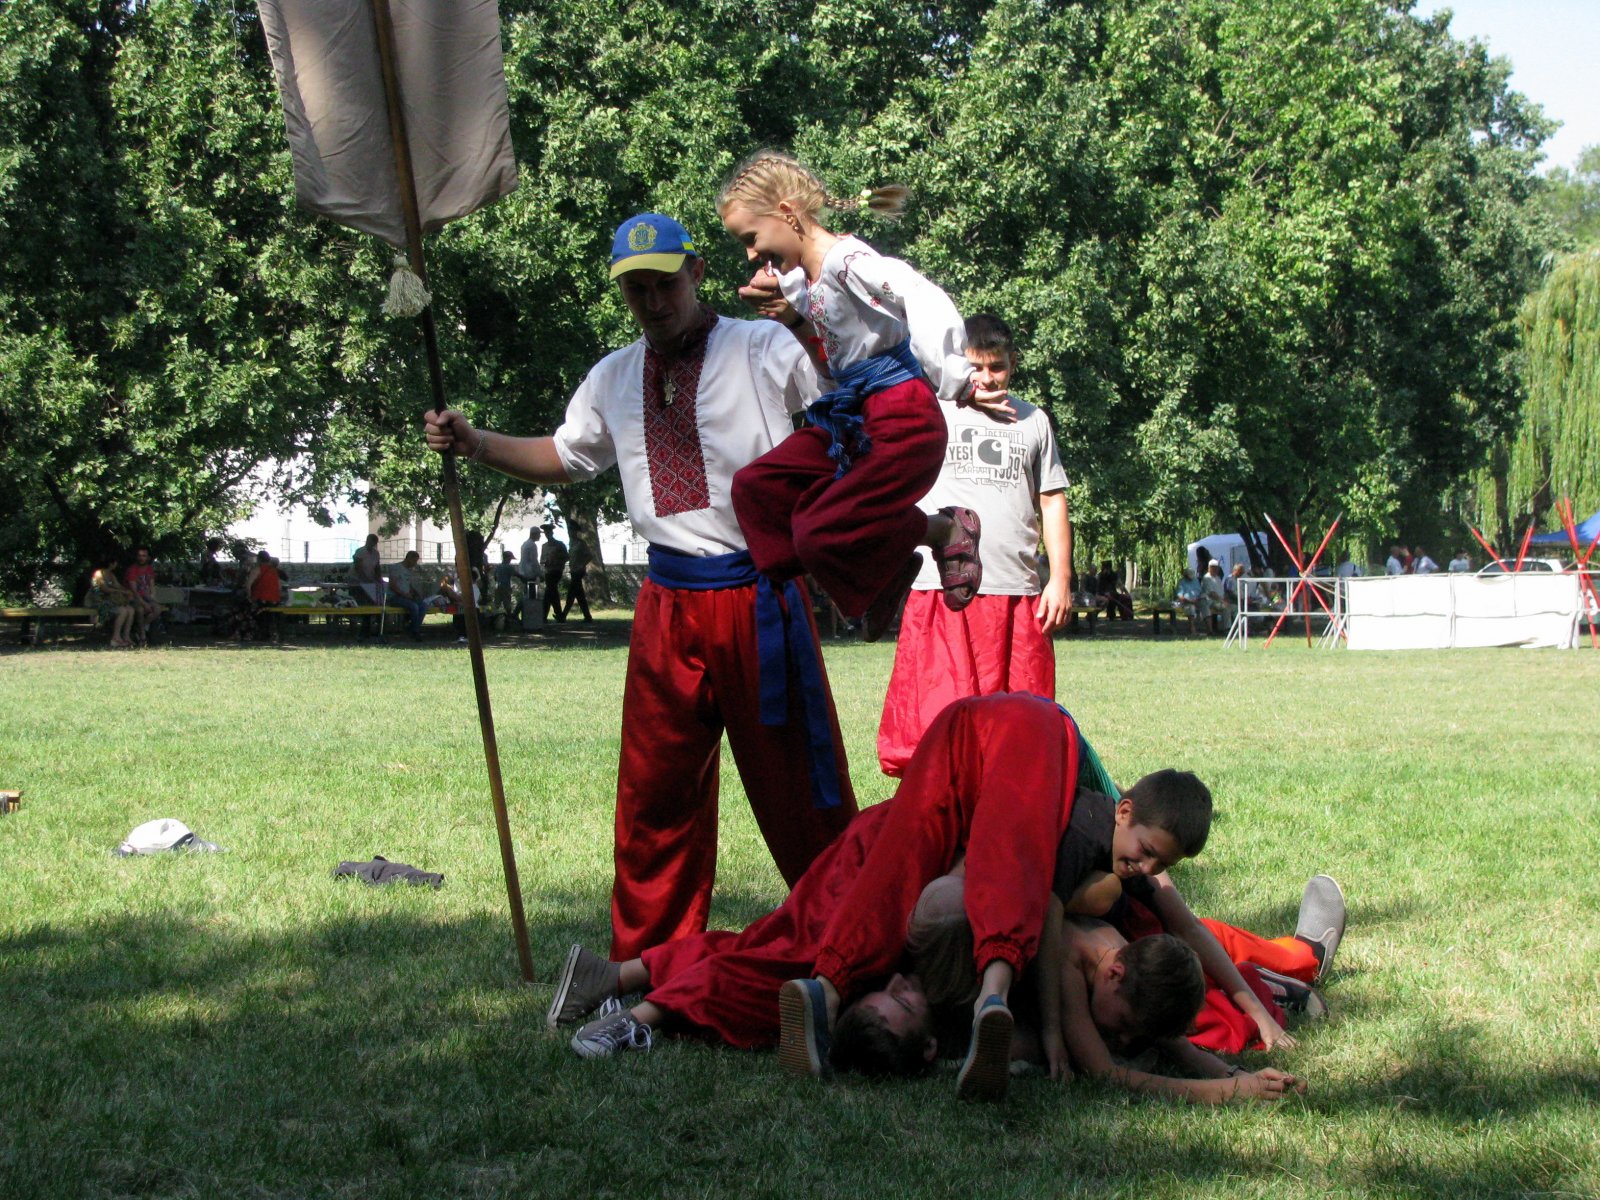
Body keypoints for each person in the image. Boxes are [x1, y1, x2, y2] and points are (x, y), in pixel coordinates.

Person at [423, 211, 858, 959]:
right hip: (666, 607)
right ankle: (650, 958)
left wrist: (807, 318)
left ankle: (852, 935)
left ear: (694, 272)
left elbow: (842, 393)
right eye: (637, 291)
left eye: (664, 284)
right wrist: (477, 443)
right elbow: (566, 455)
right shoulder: (615, 375)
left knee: (799, 789)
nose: (654, 302)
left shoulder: (760, 347)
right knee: (655, 797)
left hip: (756, 598)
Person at [717, 150, 1015, 641]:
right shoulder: (808, 282)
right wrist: (788, 316)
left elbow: (918, 293)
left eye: (751, 238)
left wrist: (958, 376)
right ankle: (879, 567)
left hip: (902, 418)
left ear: (787, 212)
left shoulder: (847, 261)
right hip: (851, 417)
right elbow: (833, 368)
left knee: (818, 529)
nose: (750, 254)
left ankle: (940, 531)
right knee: (757, 489)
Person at [876, 313, 1071, 777]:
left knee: (1019, 734)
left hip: (1016, 594)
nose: (986, 378)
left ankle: (1006, 817)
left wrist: (1060, 578)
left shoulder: (1034, 421)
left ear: (1013, 364)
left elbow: (1052, 500)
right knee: (936, 729)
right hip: (942, 594)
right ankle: (937, 820)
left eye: (996, 367)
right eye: (975, 367)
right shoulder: (934, 409)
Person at [88, 556, 138, 647]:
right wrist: (121, 592)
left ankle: (126, 636)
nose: (116, 565)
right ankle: (116, 638)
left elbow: (118, 586)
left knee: (131, 610)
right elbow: (105, 589)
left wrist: (128, 591)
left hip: (111, 601)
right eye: (115, 563)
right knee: (123, 611)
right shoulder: (98, 574)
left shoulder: (111, 575)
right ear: (111, 563)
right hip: (99, 601)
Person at [385, 549, 429, 642]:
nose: (415, 563)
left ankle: (413, 628)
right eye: (414, 561)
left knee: (424, 605)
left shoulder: (410, 571)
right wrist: (404, 594)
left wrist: (415, 592)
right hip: (395, 597)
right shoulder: (396, 568)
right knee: (414, 607)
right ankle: (414, 632)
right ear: (408, 558)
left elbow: (408, 585)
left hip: (407, 596)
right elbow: (393, 585)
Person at [123, 547, 164, 643]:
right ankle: (142, 634)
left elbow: (152, 586)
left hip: (145, 596)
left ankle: (139, 628)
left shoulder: (149, 569)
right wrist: (145, 604)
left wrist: (152, 599)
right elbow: (134, 590)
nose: (141, 558)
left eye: (144, 556)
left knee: (157, 609)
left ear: (148, 557)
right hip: (132, 597)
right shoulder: (132, 570)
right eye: (139, 556)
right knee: (141, 610)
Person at [562, 530, 595, 622]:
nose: (570, 533)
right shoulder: (571, 543)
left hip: (579, 571)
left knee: (571, 593)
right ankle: (587, 616)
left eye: (572, 530)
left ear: (575, 531)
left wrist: (582, 564)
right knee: (579, 595)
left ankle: (563, 615)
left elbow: (589, 556)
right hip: (573, 570)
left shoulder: (581, 543)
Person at [539, 522, 568, 622]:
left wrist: (557, 559)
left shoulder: (559, 544)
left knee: (549, 590)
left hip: (556, 570)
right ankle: (559, 615)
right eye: (546, 533)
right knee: (552, 592)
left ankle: (543, 615)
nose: (547, 534)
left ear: (552, 533)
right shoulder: (544, 546)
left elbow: (566, 557)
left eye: (549, 532)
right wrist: (545, 562)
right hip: (548, 571)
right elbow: (541, 560)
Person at [517, 526, 542, 625]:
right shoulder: (532, 546)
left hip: (523, 572)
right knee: (530, 597)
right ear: (534, 534)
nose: (540, 536)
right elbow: (534, 561)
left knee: (526, 595)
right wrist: (539, 573)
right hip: (529, 573)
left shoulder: (525, 544)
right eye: (539, 534)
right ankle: (528, 619)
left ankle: (520, 614)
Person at [1200, 560, 1227, 634]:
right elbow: (1211, 594)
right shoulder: (1206, 578)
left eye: (1217, 568)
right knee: (1226, 607)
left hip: (1219, 600)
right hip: (1210, 600)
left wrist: (1224, 599)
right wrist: (1222, 601)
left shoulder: (1217, 578)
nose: (1216, 570)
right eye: (1214, 568)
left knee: (1229, 607)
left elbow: (1222, 591)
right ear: (1210, 568)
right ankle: (1224, 629)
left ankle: (1227, 628)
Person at [1173, 567, 1202, 633]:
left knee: (1206, 604)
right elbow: (1180, 596)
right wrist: (1190, 601)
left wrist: (1199, 598)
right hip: (1186, 602)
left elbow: (1200, 591)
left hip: (1197, 600)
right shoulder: (1181, 582)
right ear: (1185, 575)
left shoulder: (1196, 581)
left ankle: (1210, 629)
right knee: (1190, 607)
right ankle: (1192, 628)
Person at [493, 550, 518, 620]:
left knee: (496, 604)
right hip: (505, 587)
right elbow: (517, 574)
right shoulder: (508, 567)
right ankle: (509, 620)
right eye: (510, 558)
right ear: (507, 558)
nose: (510, 560)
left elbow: (495, 577)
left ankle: (494, 619)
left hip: (497, 586)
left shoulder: (498, 567)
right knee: (507, 605)